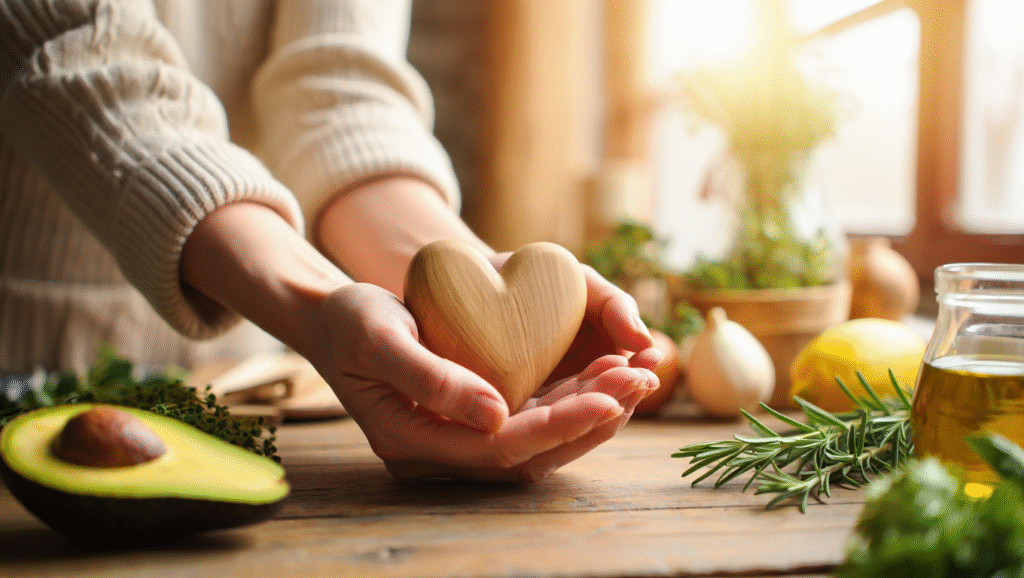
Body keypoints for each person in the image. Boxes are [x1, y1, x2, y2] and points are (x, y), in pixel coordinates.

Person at [0, 0, 661, 482]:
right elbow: (86, 70)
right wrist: (317, 307)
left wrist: (469, 296)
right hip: (34, 374)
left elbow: (340, 88)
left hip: (250, 391)